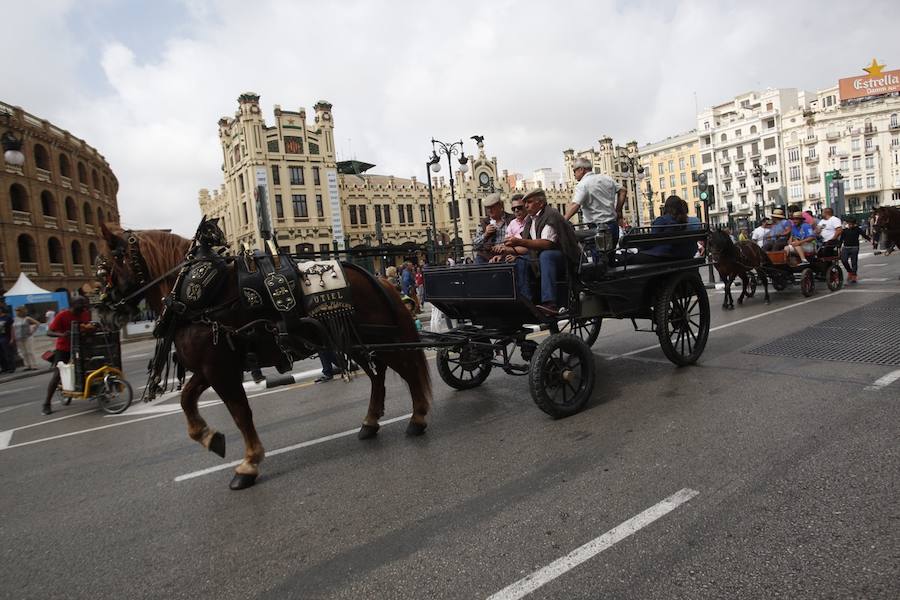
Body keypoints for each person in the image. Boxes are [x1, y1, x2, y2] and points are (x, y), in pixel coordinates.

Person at [505, 188, 580, 316]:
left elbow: (547, 243)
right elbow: (527, 244)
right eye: (525, 203)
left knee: (546, 255)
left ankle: (550, 302)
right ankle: (526, 301)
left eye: (529, 202)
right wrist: (507, 250)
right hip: (540, 257)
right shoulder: (530, 219)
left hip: (564, 257)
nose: (526, 206)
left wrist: (519, 242)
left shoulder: (551, 215)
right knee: (520, 260)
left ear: (540, 203)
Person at [564, 157, 626, 249]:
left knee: (598, 260)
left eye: (574, 171)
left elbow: (575, 205)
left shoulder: (582, 185)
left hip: (597, 229)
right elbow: (623, 190)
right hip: (613, 227)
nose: (574, 174)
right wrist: (619, 211)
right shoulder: (607, 179)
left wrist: (562, 221)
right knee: (611, 259)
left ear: (581, 169)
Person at [43, 296, 91, 415]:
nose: (83, 308)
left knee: (90, 366)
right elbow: (49, 332)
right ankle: (46, 403)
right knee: (57, 375)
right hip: (64, 348)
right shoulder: (62, 315)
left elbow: (87, 325)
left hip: (80, 346)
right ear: (73, 305)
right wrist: (62, 334)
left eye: (84, 305)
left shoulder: (85, 313)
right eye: (81, 305)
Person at [628, 196, 694, 264]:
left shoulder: (662, 220)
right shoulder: (684, 222)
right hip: (677, 255)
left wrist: (638, 249)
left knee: (629, 258)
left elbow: (651, 241)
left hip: (661, 255)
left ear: (667, 207)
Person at [472, 192, 514, 263]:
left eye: (492, 207)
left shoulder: (511, 219)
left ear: (500, 206)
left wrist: (505, 248)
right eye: (487, 208)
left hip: (506, 253)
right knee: (479, 260)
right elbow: (474, 246)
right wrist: (485, 234)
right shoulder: (484, 222)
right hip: (486, 256)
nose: (490, 210)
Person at [840, 218, 870, 283]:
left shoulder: (857, 229)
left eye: (851, 224)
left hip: (854, 247)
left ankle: (854, 275)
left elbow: (864, 235)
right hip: (845, 247)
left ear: (854, 224)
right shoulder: (844, 230)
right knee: (843, 260)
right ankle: (849, 271)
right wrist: (839, 247)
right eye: (849, 224)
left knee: (854, 261)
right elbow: (841, 239)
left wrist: (870, 240)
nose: (850, 225)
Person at [13, 306, 40, 371]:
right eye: (16, 311)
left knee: (30, 351)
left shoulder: (27, 318)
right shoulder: (15, 319)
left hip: (27, 337)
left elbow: (37, 323)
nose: (16, 312)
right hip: (19, 338)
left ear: (22, 311)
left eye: (18, 311)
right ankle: (27, 365)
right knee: (23, 352)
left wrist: (32, 331)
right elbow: (13, 328)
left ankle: (34, 365)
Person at [0, 306, 14, 373]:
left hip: (6, 337)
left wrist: (12, 338)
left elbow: (12, 328)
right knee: (1, 354)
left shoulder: (7, 317)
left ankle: (11, 367)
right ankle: (4, 368)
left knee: (8, 353)